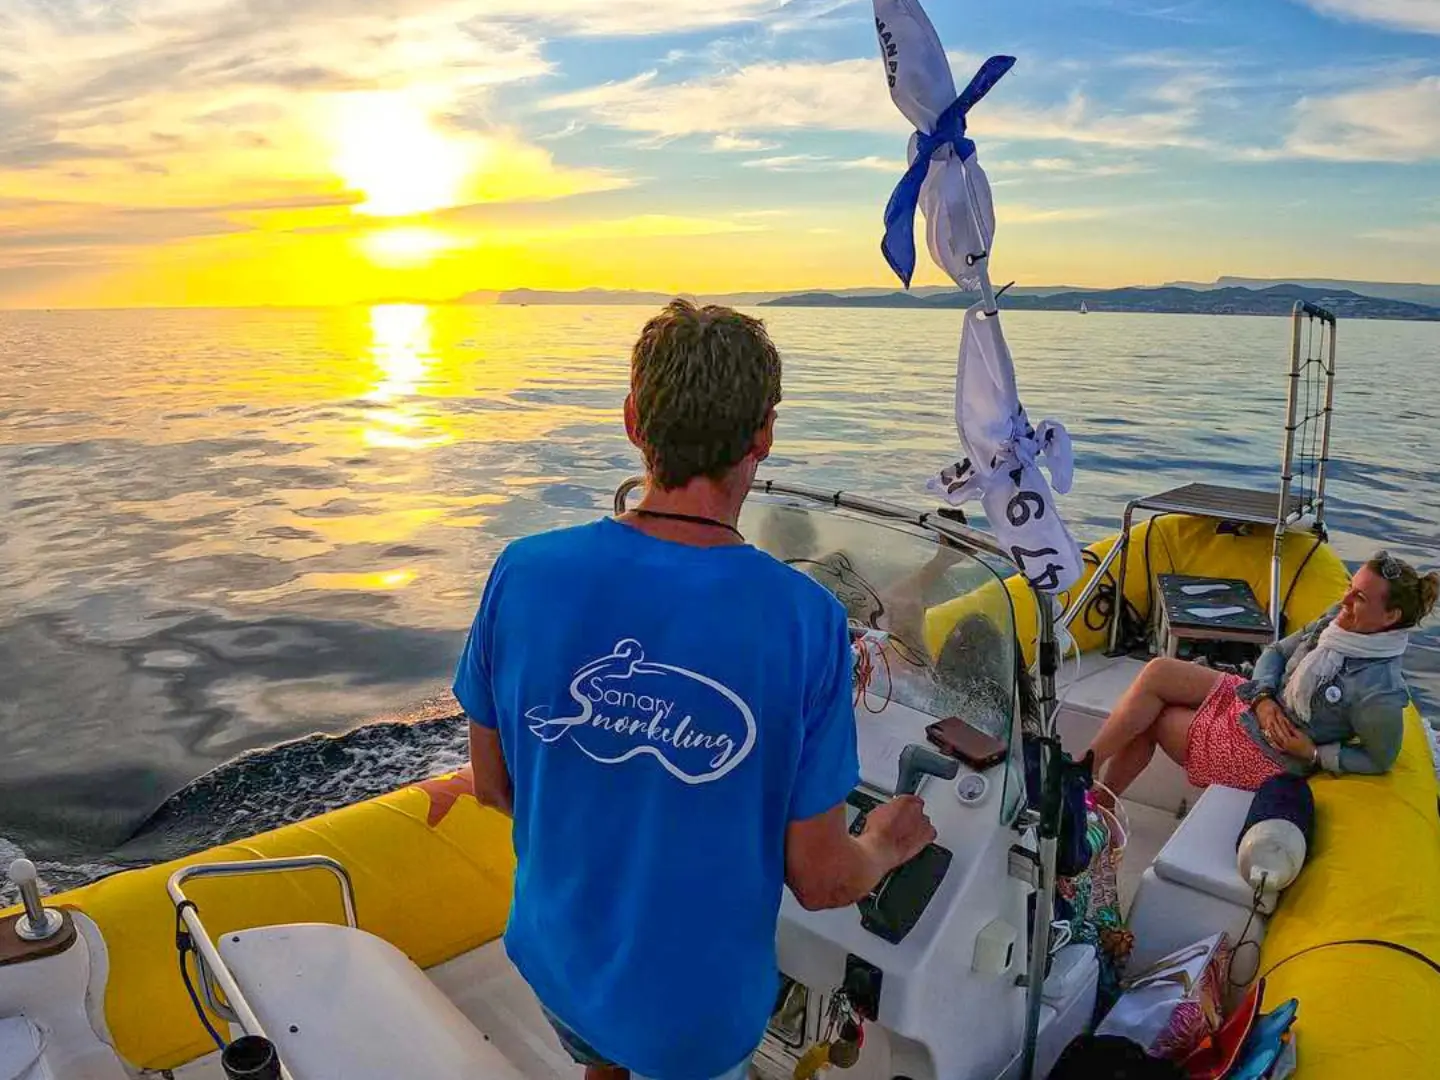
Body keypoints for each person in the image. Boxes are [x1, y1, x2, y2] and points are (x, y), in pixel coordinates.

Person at [453, 299, 935, 1080]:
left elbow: (491, 783)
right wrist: (886, 841)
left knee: (598, 1054)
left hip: (554, 966)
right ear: (764, 435)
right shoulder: (806, 622)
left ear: (634, 420)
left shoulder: (522, 570)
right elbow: (820, 881)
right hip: (697, 1022)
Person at [1089, 552, 1438, 794]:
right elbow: (1276, 651)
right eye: (1350, 588)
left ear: (1390, 617)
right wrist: (1262, 697)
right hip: (1260, 703)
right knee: (1159, 671)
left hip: (1268, 754)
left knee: (1157, 719)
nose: (1345, 600)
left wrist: (1316, 754)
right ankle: (1084, 768)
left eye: (1359, 597)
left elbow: (1380, 759)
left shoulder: (1380, 689)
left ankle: (1100, 803)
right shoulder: (1338, 620)